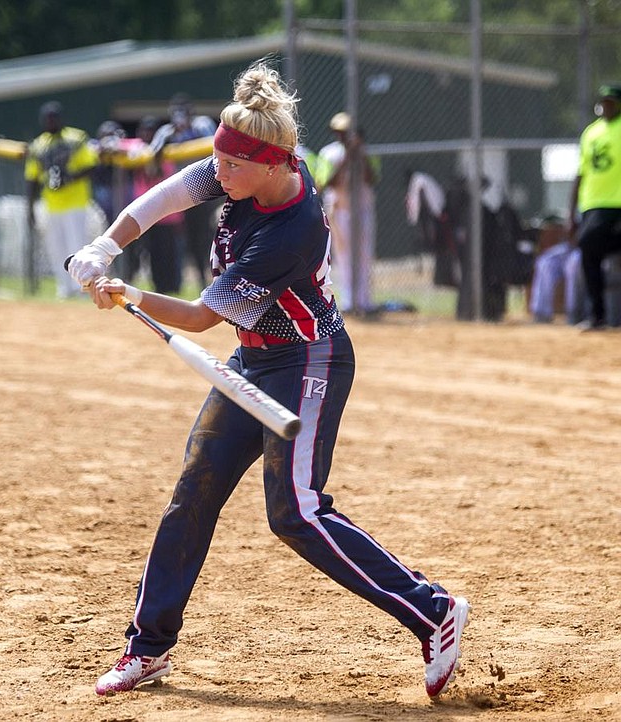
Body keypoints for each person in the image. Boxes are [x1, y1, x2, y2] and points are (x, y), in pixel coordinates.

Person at [66, 61, 469, 699]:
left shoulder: (292, 229)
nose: (217, 176)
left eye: (231, 168)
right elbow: (169, 194)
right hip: (253, 359)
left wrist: (127, 292)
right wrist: (105, 245)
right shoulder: (247, 168)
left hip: (309, 360)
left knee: (295, 513)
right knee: (194, 490)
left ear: (276, 165)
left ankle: (433, 611)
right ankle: (147, 648)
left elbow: (200, 317)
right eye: (219, 165)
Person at [25, 101, 99, 299]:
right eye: (47, 118)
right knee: (56, 248)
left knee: (77, 246)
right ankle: (64, 288)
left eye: (54, 117)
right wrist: (30, 209)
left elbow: (92, 166)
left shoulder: (76, 137)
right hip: (51, 204)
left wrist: (70, 177)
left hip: (75, 202)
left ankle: (82, 287)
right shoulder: (38, 145)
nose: (51, 121)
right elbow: (32, 179)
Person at [149, 92, 219, 288]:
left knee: (205, 235)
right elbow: (153, 154)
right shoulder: (166, 131)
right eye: (177, 112)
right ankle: (186, 279)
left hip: (207, 189)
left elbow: (214, 145)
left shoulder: (201, 124)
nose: (181, 116)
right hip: (180, 191)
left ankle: (206, 277)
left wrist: (187, 132)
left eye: (184, 111)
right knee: (183, 239)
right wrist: (170, 139)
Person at [568, 82, 621, 331]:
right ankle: (597, 316)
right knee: (588, 248)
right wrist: (571, 212)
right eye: (605, 102)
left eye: (612, 102)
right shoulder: (590, 132)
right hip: (594, 206)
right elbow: (580, 173)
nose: (607, 106)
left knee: (590, 244)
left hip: (617, 205)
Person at [316, 113, 380, 315]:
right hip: (340, 210)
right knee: (343, 256)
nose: (344, 136)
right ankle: (348, 301)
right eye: (341, 132)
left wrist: (359, 155)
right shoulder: (329, 153)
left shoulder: (367, 152)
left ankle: (364, 301)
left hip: (362, 209)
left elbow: (372, 179)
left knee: (364, 254)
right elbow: (327, 183)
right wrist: (346, 159)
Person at [128, 115, 184, 294]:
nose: (146, 134)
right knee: (152, 253)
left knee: (170, 252)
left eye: (150, 131)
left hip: (168, 214)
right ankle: (159, 287)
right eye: (144, 130)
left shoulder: (167, 150)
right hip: (145, 215)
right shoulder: (139, 150)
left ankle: (173, 287)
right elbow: (121, 145)